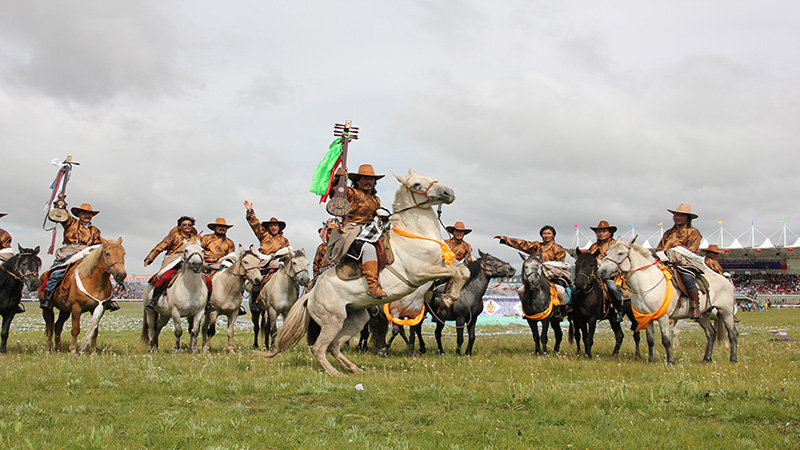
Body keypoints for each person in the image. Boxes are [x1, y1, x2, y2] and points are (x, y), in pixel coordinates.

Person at [325, 164, 391, 299]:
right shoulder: (350, 192)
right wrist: (338, 178)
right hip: (351, 230)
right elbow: (335, 192)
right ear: (358, 181)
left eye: (371, 179)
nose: (368, 182)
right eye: (365, 179)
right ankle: (373, 286)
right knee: (368, 249)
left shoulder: (376, 200)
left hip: (370, 230)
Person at [42, 203, 120, 311]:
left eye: (89, 214)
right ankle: (48, 297)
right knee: (57, 273)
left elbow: (99, 243)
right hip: (70, 252)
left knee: (101, 272)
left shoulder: (96, 231)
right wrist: (61, 203)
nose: (87, 216)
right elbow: (63, 215)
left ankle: (108, 299)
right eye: (84, 213)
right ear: (79, 214)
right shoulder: (71, 223)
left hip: (88, 253)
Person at [144, 216, 213, 312]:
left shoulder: (196, 239)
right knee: (164, 278)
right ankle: (154, 300)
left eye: (190, 225)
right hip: (174, 262)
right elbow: (159, 247)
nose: (187, 226)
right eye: (184, 224)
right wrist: (150, 257)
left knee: (208, 281)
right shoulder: (173, 237)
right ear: (179, 227)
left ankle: (208, 303)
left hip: (191, 263)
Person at [494, 225, 570, 305]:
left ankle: (561, 309)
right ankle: (526, 309)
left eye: (549, 233)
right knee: (521, 290)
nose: (546, 236)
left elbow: (560, 264)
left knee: (561, 291)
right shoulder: (537, 247)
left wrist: (547, 267)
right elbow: (523, 244)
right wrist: (506, 240)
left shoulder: (559, 249)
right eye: (544, 233)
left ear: (553, 235)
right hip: (537, 276)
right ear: (541, 235)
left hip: (553, 276)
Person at [656, 203, 703, 319]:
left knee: (687, 278)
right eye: (676, 215)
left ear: (688, 218)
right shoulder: (668, 233)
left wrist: (674, 254)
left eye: (681, 216)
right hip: (665, 262)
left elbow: (691, 251)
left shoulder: (693, 232)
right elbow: (660, 248)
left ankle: (695, 306)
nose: (678, 217)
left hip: (685, 262)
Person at [243, 201, 291, 305]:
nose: (273, 227)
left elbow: (287, 254)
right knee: (257, 282)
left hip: (279, 265)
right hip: (264, 264)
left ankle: (293, 302)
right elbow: (255, 225)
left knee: (293, 281)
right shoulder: (263, 235)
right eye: (271, 226)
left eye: (275, 226)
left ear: (279, 227)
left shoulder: (284, 240)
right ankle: (255, 303)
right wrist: (250, 211)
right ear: (268, 227)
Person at [201, 217, 245, 316]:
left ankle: (237, 304)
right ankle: (206, 303)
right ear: (215, 228)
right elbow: (199, 250)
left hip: (223, 265)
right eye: (219, 227)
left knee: (238, 281)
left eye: (224, 227)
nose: (222, 229)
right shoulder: (206, 238)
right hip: (208, 264)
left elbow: (231, 256)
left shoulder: (230, 242)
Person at [587, 221, 625, 323]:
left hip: (611, 275)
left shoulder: (615, 245)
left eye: (604, 231)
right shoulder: (594, 246)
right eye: (599, 231)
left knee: (612, 288)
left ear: (610, 233)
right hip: (595, 275)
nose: (601, 234)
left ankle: (618, 311)